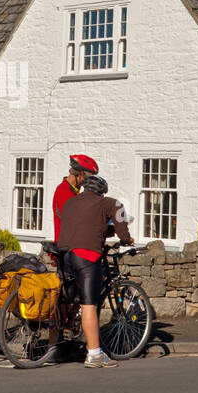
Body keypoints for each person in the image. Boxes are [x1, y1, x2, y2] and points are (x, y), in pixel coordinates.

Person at [57, 174, 132, 368]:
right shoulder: (108, 203)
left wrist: (107, 231)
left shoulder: (70, 203)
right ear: (101, 192)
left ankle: (59, 341)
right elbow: (120, 214)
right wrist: (125, 239)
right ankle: (94, 354)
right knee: (89, 305)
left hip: (64, 254)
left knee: (68, 299)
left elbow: (87, 225)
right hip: (86, 256)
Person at [53, 154, 98, 241]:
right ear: (79, 175)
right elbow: (73, 219)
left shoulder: (74, 191)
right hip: (67, 246)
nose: (87, 182)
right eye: (87, 178)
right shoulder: (64, 191)